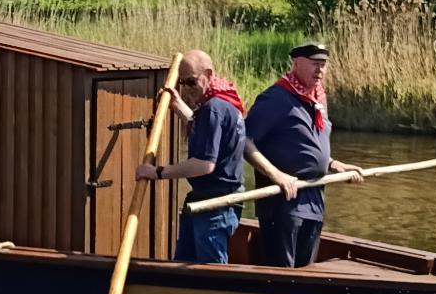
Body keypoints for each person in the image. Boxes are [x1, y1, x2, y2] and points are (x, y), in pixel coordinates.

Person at [135, 49, 297, 264]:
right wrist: (177, 104)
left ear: (209, 74)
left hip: (215, 205)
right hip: (207, 201)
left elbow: (204, 165)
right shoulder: (223, 103)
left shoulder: (214, 109)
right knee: (182, 264)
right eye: (182, 83)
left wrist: (158, 172)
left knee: (210, 269)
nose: (187, 89)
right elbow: (203, 128)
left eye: (192, 82)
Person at [242, 41, 363, 267]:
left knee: (306, 271)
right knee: (282, 273)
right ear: (296, 63)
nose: (320, 70)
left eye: (324, 64)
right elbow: (245, 140)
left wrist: (333, 164)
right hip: (284, 202)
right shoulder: (276, 98)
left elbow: (306, 145)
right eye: (314, 64)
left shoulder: (318, 99)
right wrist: (276, 174)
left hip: (314, 200)